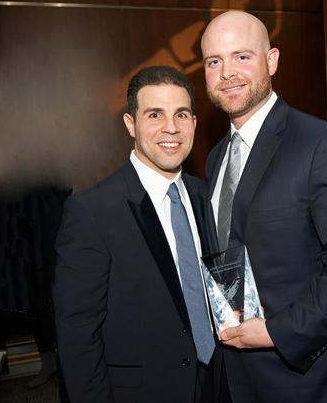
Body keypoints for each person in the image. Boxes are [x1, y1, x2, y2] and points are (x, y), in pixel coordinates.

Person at [200, 10, 327, 403]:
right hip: (240, 375)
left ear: (271, 61)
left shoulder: (320, 143)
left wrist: (279, 331)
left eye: (242, 56)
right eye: (214, 61)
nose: (227, 73)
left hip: (311, 378)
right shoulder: (217, 156)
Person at [53, 66, 219, 403]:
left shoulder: (206, 195)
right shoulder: (92, 211)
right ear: (131, 124)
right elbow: (77, 335)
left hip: (215, 385)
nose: (171, 128)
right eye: (155, 114)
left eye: (181, 114)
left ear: (194, 123)